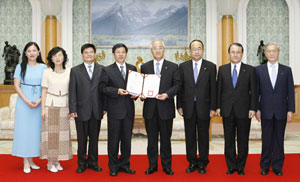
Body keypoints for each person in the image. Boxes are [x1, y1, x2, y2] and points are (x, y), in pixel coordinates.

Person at [141, 40, 181, 175]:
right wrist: (141, 94)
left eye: (160, 48)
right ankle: (152, 166)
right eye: (155, 48)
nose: (157, 50)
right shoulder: (145, 67)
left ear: (164, 49)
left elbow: (177, 85)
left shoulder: (173, 66)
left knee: (165, 140)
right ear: (151, 50)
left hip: (166, 109)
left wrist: (167, 94)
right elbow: (142, 86)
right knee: (151, 140)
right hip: (150, 110)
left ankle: (167, 166)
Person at [177, 40, 217, 174]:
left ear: (203, 50)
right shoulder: (182, 66)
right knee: (190, 136)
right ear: (190, 51)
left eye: (199, 48)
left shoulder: (211, 66)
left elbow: (213, 89)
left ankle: (203, 163)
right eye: (194, 49)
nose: (196, 51)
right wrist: (179, 106)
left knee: (203, 136)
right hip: (188, 107)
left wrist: (213, 107)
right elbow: (180, 88)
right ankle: (192, 161)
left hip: (204, 107)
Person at [216, 43, 256, 175]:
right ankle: (231, 165)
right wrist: (218, 107)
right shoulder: (222, 69)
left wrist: (253, 108)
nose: (235, 54)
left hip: (244, 110)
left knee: (243, 139)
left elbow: (254, 91)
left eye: (238, 52)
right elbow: (219, 90)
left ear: (242, 54)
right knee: (229, 139)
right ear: (229, 54)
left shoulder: (250, 70)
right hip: (227, 110)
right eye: (233, 52)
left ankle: (241, 166)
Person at [255, 43, 295, 176]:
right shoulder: (258, 70)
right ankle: (265, 166)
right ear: (265, 53)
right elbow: (256, 92)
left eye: (274, 51)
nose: (271, 53)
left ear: (278, 52)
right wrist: (257, 109)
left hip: (281, 111)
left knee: (279, 139)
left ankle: (277, 166)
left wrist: (290, 110)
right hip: (265, 111)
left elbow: (290, 91)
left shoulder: (287, 70)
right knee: (266, 140)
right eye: (269, 51)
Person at [101, 43, 137, 176]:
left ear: (126, 54)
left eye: (123, 52)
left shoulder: (132, 68)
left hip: (128, 110)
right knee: (114, 139)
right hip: (115, 110)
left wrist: (136, 94)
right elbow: (103, 88)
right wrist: (116, 91)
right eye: (118, 52)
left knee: (127, 140)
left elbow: (137, 88)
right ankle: (113, 166)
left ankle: (125, 165)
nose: (121, 54)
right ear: (113, 54)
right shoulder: (107, 70)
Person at [12, 42, 47, 173]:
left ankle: (31, 159)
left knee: (34, 133)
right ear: (25, 53)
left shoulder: (44, 67)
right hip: (24, 104)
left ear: (38, 52)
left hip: (38, 104)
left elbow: (46, 86)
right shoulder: (20, 66)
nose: (32, 53)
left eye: (34, 50)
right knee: (24, 132)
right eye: (29, 50)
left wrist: (39, 100)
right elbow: (16, 85)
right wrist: (26, 100)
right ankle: (25, 161)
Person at [69, 43, 105, 173]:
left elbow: (104, 90)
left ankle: (93, 163)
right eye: (86, 52)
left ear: (95, 55)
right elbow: (72, 91)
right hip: (81, 110)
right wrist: (73, 109)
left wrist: (104, 107)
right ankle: (81, 164)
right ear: (82, 55)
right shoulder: (75, 70)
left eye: (91, 52)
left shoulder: (102, 69)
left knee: (94, 139)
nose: (89, 54)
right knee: (82, 139)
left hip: (96, 110)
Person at [40, 47, 72, 173]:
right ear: (51, 59)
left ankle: (57, 160)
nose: (57, 58)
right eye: (55, 56)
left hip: (64, 104)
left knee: (62, 135)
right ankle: (50, 163)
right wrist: (42, 109)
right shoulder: (47, 72)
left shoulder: (69, 71)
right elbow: (44, 90)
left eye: (60, 55)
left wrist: (71, 107)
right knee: (51, 135)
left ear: (64, 57)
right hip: (51, 104)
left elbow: (72, 91)